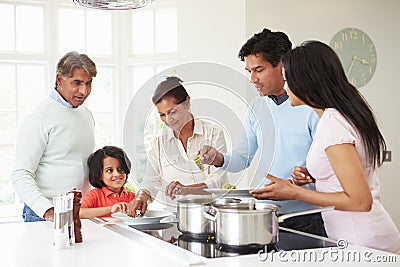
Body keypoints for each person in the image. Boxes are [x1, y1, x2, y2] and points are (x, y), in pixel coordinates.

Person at [253, 40, 400, 253]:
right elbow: (348, 174)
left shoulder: (333, 123)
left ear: (305, 81)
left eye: (287, 80)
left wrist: (294, 192)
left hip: (362, 243)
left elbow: (360, 201)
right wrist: (316, 176)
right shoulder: (342, 115)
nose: (284, 87)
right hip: (363, 239)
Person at [200, 28, 325, 236]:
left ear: (282, 67)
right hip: (264, 215)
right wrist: (219, 158)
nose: (253, 79)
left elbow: (328, 169)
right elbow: (242, 158)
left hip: (305, 217)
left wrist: (305, 179)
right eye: (249, 71)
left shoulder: (313, 108)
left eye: (259, 70)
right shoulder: (257, 107)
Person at [11, 51, 97, 222]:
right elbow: (20, 175)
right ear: (59, 80)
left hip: (78, 211)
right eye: (77, 83)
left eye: (88, 83)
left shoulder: (86, 115)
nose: (84, 91)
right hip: (44, 214)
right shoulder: (39, 117)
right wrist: (48, 211)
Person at [127, 76, 228, 214]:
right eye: (162, 115)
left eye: (172, 111)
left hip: (211, 217)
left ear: (187, 102)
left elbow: (218, 180)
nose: (168, 119)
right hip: (173, 222)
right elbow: (151, 181)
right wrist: (141, 196)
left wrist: (187, 190)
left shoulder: (213, 133)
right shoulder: (158, 144)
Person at [80, 146, 135, 218]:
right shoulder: (95, 195)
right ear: (99, 175)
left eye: (121, 168)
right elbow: (80, 213)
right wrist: (111, 208)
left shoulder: (132, 197)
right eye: (109, 170)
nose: (117, 174)